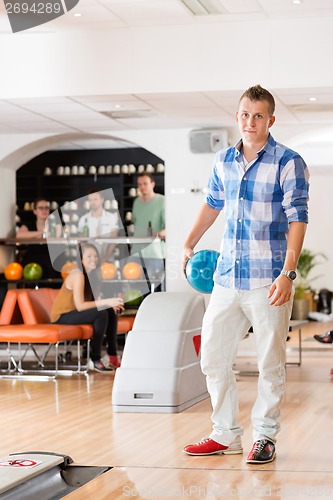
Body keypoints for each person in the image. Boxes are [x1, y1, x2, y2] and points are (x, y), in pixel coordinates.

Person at [182, 85, 309, 464]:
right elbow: (211, 204)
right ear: (236, 116)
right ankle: (225, 434)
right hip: (226, 278)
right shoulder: (223, 159)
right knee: (212, 358)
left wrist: (288, 272)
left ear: (270, 120)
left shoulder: (289, 161)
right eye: (244, 114)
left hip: (268, 279)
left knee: (270, 361)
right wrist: (189, 241)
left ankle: (265, 437)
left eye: (258, 116)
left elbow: (298, 218)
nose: (250, 122)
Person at [50, 243, 124, 372]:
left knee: (109, 311)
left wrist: (110, 304)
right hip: (62, 316)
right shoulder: (77, 275)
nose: (93, 259)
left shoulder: (93, 276)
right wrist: (107, 301)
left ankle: (112, 356)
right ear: (81, 259)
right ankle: (94, 359)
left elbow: (92, 303)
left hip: (75, 313)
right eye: (89, 256)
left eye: (95, 256)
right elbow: (80, 306)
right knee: (102, 313)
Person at [131, 172, 166, 281]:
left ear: (152, 184)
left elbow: (169, 227)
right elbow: (135, 224)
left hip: (154, 253)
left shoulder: (162, 201)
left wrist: (159, 234)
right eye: (140, 184)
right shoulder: (136, 202)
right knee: (133, 288)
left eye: (145, 183)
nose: (142, 187)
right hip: (136, 253)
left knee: (154, 288)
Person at [16, 198, 62, 279]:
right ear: (35, 211)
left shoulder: (55, 224)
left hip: (50, 256)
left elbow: (58, 235)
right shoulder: (29, 225)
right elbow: (19, 235)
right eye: (41, 208)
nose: (44, 210)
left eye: (46, 208)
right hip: (32, 255)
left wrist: (33, 235)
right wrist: (42, 232)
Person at [78, 189, 120, 260]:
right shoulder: (83, 219)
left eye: (95, 199)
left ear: (102, 200)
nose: (93, 202)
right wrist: (89, 256)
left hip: (107, 260)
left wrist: (105, 257)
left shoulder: (111, 217)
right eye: (90, 200)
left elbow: (114, 239)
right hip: (90, 260)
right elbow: (82, 241)